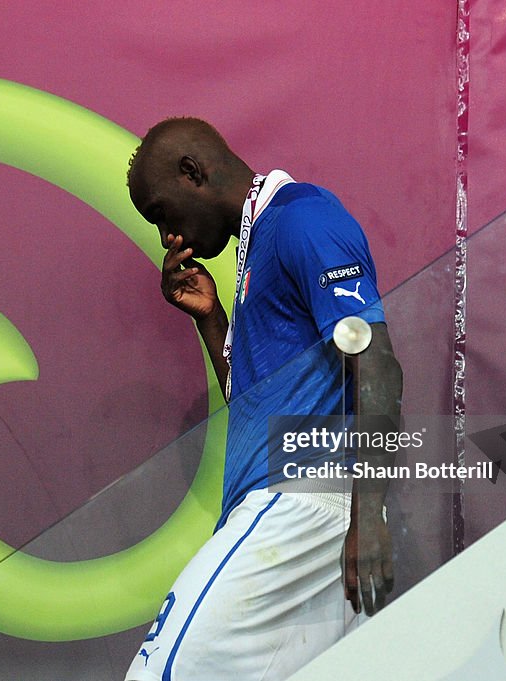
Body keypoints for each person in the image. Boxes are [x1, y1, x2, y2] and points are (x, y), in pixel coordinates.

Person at [124, 118, 403, 681]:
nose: (166, 237)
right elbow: (256, 406)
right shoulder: (255, 249)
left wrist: (368, 515)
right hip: (304, 515)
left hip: (300, 504)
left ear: (192, 173)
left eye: (161, 213)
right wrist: (211, 320)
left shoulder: (301, 217)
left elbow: (378, 365)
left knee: (161, 675)